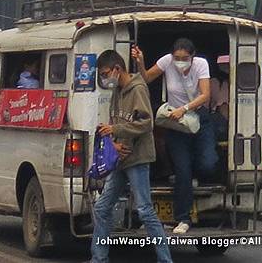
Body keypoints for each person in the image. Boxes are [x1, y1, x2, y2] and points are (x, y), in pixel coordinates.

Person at [92, 50, 172, 263]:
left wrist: (116, 130)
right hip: (121, 160)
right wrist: (114, 144)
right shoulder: (117, 91)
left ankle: (165, 260)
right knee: (101, 207)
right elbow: (115, 124)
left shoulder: (138, 89)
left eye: (106, 73)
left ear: (117, 69)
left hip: (137, 159)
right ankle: (98, 259)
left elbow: (146, 123)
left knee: (145, 210)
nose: (105, 78)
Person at [132, 38, 218, 235]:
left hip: (198, 118)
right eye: (177, 57)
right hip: (176, 123)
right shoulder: (166, 62)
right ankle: (183, 218)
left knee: (208, 163)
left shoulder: (201, 65)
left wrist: (184, 108)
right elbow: (145, 79)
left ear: (192, 56)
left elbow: (205, 95)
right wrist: (140, 62)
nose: (180, 61)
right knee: (182, 171)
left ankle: (193, 178)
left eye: (184, 58)